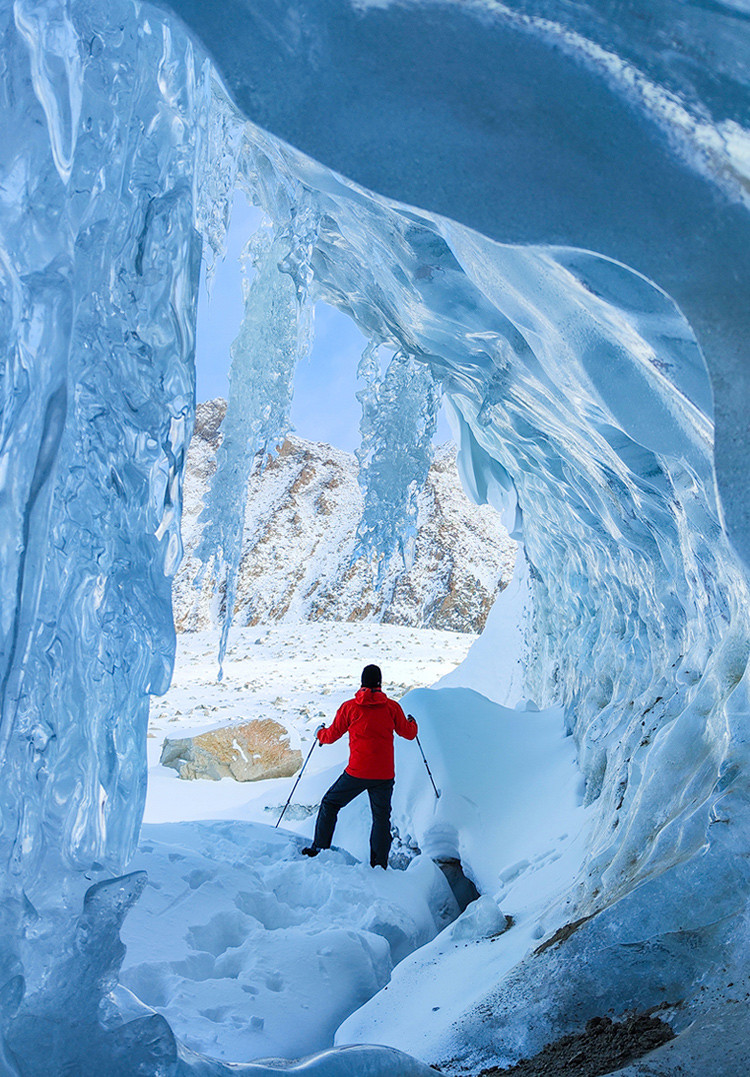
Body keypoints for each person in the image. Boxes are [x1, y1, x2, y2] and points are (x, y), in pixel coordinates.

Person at [302, 664, 417, 868]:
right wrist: (412, 722)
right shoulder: (392, 707)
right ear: (380, 684)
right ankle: (379, 865)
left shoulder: (350, 707)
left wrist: (319, 733)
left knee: (330, 803)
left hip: (356, 772)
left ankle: (319, 848)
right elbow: (409, 733)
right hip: (384, 775)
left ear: (362, 683)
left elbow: (331, 736)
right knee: (381, 819)